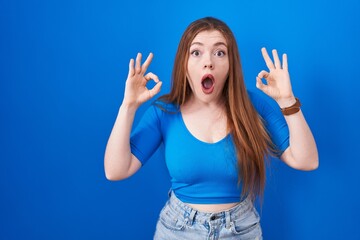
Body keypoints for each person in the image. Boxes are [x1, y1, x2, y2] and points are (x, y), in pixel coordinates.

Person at [104, 17, 318, 240]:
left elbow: (306, 160)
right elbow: (116, 170)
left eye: (219, 53)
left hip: (241, 231)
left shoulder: (253, 106)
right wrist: (128, 106)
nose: (208, 62)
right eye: (196, 52)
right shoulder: (164, 112)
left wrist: (287, 101)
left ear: (230, 65)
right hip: (177, 232)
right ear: (183, 63)